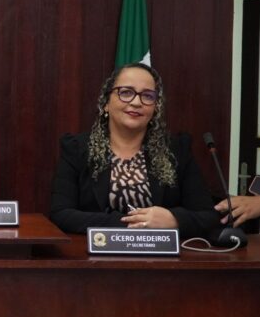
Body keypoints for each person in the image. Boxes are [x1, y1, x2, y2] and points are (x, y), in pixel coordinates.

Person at [49, 63, 220, 239]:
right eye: (126, 93)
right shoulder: (77, 149)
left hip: (159, 254)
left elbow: (207, 216)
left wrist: (175, 220)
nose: (136, 102)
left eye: (147, 96)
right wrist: (131, 224)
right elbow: (61, 214)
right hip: (97, 252)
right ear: (106, 103)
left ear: (155, 108)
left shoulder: (177, 151)